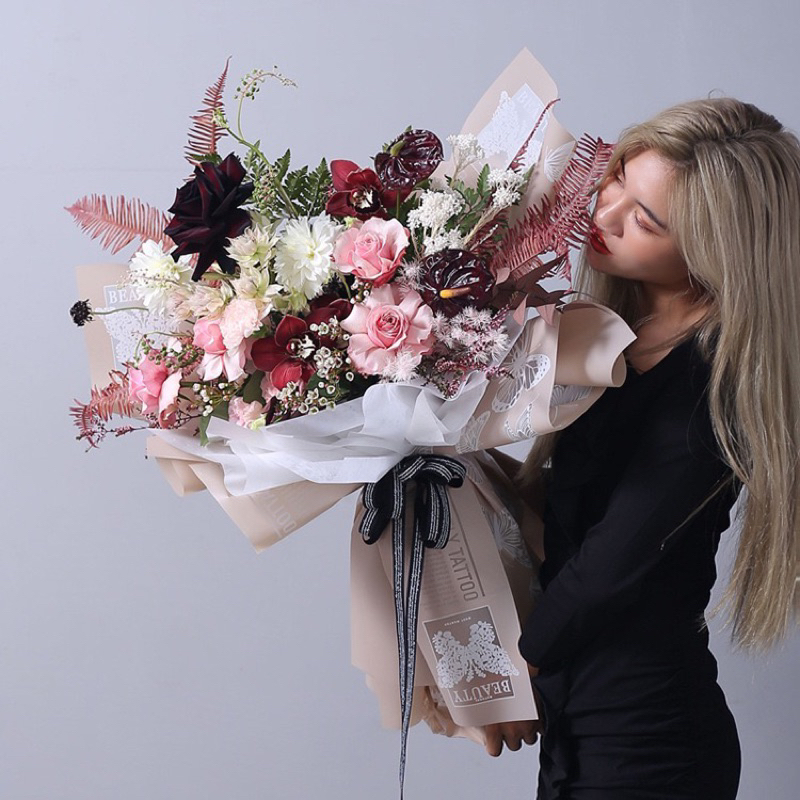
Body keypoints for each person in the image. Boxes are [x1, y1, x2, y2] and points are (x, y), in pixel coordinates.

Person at [483, 97, 800, 799]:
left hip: (647, 743)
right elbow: (570, 510)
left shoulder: (714, 383)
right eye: (618, 178)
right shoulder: (619, 332)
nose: (604, 213)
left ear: (714, 251)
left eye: (646, 220)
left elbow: (613, 560)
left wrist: (503, 677)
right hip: (582, 721)